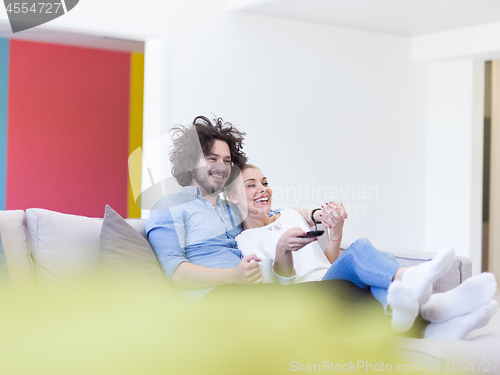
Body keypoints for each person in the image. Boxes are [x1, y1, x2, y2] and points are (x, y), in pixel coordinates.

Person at [226, 164, 498, 338]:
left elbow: (326, 262)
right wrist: (283, 250)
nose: (263, 189)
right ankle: (434, 314)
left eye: (264, 182)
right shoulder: (246, 239)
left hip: (330, 277)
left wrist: (336, 233)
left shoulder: (289, 214)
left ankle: (418, 301)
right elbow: (276, 291)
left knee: (365, 252)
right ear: (234, 197)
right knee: (365, 260)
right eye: (252, 185)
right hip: (306, 292)